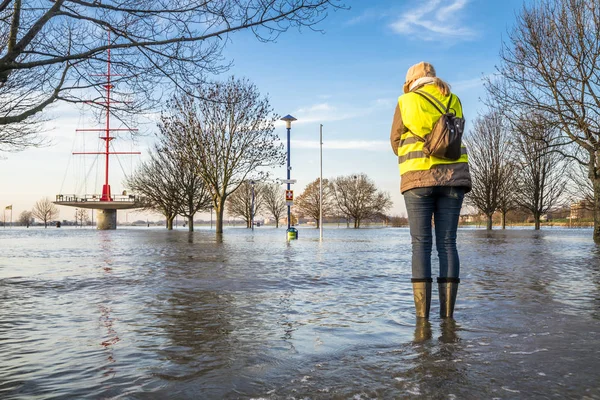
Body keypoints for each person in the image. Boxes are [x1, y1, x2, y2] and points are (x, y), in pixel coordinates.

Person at [390, 62, 472, 319]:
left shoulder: (406, 101)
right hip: (453, 178)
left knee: (421, 245)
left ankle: (421, 320)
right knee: (448, 243)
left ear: (411, 81)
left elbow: (395, 140)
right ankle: (448, 317)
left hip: (418, 179)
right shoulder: (452, 98)